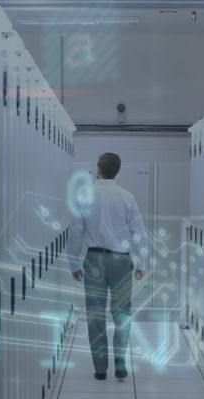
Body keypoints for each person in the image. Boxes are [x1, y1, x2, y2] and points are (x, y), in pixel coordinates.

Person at [67, 152, 149, 380]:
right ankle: (120, 360)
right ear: (117, 171)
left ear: (98, 168)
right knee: (122, 312)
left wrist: (73, 262)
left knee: (95, 314)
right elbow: (139, 233)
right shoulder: (126, 197)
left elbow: (76, 233)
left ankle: (100, 368)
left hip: (93, 260)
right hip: (121, 261)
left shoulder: (83, 195)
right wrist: (142, 261)